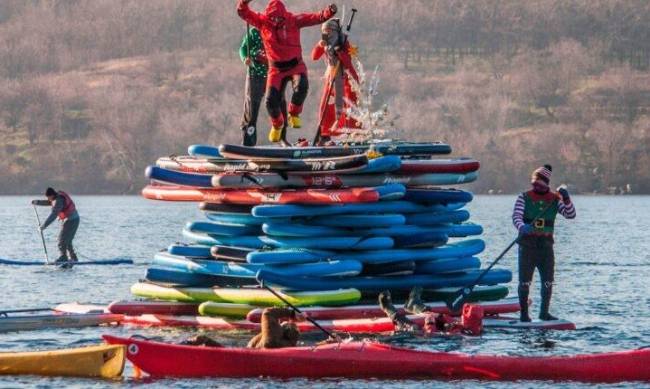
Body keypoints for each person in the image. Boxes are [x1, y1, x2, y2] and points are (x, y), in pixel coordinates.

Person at [237, 0, 337, 143]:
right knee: (264, 104)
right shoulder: (260, 24)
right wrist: (244, 2)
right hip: (269, 71)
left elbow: (313, 18)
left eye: (279, 18)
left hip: (294, 66)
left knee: (299, 89)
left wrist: (329, 12)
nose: (276, 21)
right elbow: (243, 14)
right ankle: (262, 133)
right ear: (268, 16)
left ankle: (290, 121)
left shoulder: (292, 21)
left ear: (284, 16)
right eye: (274, 18)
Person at [512, 164, 576, 322]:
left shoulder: (554, 199)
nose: (535, 186)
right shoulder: (524, 197)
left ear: (546, 183)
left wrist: (566, 198)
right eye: (534, 183)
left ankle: (544, 313)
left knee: (547, 282)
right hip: (527, 246)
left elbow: (571, 214)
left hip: (546, 247)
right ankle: (524, 315)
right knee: (524, 282)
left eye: (538, 184)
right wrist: (522, 226)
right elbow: (516, 217)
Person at [312, 18, 362, 144]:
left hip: (346, 79)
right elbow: (314, 56)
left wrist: (340, 51)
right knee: (325, 107)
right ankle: (324, 134)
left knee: (347, 107)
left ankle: (350, 134)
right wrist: (319, 45)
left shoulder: (344, 43)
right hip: (331, 78)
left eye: (328, 31)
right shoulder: (325, 43)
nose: (326, 33)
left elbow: (347, 62)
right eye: (324, 31)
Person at [379, 287, 483, 336]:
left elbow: (431, 335)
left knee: (413, 328)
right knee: (435, 316)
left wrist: (430, 323)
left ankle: (389, 310)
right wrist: (440, 316)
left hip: (427, 335)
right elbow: (454, 323)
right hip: (439, 331)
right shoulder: (470, 328)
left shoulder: (463, 334)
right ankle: (414, 305)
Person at [32, 187, 80, 264]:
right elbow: (49, 202)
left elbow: (54, 215)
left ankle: (64, 257)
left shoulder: (59, 200)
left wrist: (44, 226)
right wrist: (37, 202)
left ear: (51, 195)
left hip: (71, 220)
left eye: (48, 197)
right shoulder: (56, 197)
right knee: (67, 241)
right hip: (72, 219)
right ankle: (74, 258)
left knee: (61, 240)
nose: (48, 198)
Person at [239, 26, 268, 146]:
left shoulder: (276, 31)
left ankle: (282, 138)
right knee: (251, 108)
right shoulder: (254, 32)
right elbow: (243, 48)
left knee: (276, 105)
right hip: (255, 74)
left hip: (273, 74)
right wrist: (245, 58)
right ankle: (248, 141)